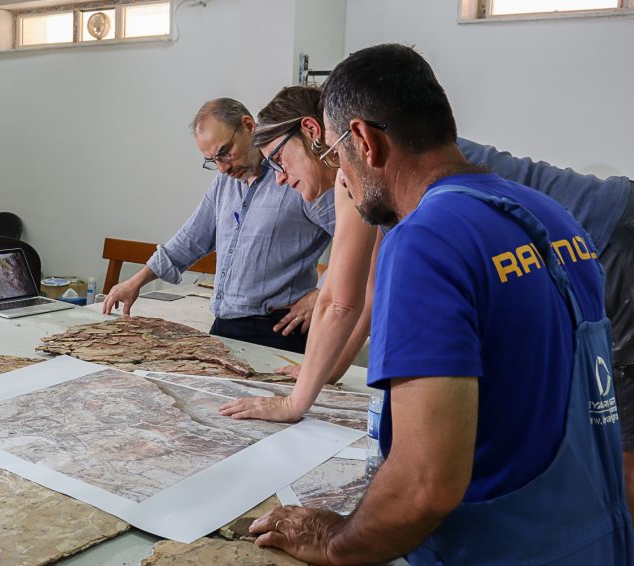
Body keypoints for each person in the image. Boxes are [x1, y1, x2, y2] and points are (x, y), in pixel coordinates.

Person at [247, 43, 633, 564]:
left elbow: (423, 485)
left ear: (363, 140)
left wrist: (334, 540)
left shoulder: (425, 241)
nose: (343, 179)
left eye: (338, 156)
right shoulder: (552, 218)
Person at [102, 98, 335, 353]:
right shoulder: (225, 183)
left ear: (248, 126)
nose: (222, 168)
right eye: (213, 160)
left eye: (224, 153)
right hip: (225, 324)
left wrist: (321, 295)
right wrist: (135, 282)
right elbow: (190, 240)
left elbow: (359, 246)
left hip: (279, 330)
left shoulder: (297, 176)